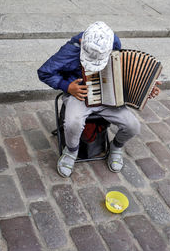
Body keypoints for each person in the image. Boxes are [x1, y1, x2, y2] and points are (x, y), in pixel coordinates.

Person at [37, 21, 161, 177]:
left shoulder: (114, 43)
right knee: (73, 123)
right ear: (82, 43)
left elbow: (122, 71)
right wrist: (67, 86)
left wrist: (147, 87)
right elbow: (44, 72)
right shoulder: (71, 49)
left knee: (133, 126)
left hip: (109, 96)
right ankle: (70, 151)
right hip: (80, 94)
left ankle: (116, 147)